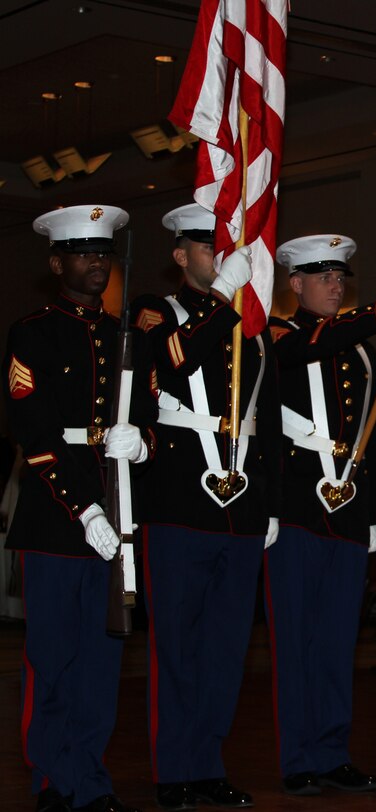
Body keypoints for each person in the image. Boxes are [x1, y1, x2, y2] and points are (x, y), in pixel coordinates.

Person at [263, 234, 376, 796]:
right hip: (298, 508)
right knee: (295, 641)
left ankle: (333, 752)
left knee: (337, 640)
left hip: (349, 510)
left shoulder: (361, 352)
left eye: (341, 277)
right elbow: (308, 348)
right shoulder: (278, 335)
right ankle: (298, 757)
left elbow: (374, 439)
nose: (336, 285)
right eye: (324, 276)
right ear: (295, 284)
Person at [130, 203, 281, 810]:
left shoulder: (252, 326)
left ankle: (208, 761)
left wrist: (267, 503)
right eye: (207, 247)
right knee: (176, 643)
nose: (220, 256)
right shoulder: (153, 312)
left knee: (225, 646)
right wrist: (222, 294)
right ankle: (174, 769)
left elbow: (264, 418)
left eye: (226, 248)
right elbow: (173, 362)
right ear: (179, 253)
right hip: (178, 499)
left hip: (239, 502)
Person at [5, 205, 154, 812]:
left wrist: (141, 440)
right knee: (53, 659)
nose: (97, 262)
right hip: (55, 521)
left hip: (116, 515)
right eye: (83, 252)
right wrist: (85, 508)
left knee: (101, 659)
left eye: (104, 252)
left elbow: (146, 414)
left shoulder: (128, 335)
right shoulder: (32, 333)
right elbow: (32, 431)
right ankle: (51, 778)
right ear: (56, 262)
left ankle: (90, 777)